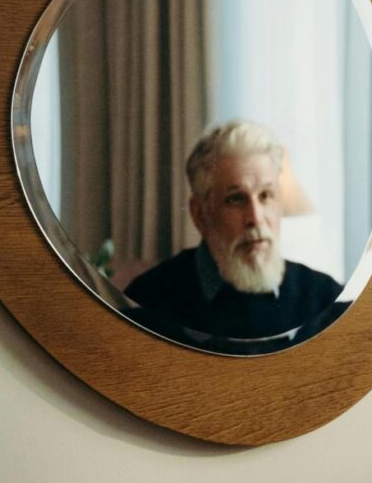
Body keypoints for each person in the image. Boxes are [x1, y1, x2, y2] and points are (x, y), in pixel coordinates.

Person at [123, 119, 346, 353]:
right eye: (236, 199)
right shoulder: (148, 302)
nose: (256, 218)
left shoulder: (324, 300)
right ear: (200, 214)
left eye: (266, 195)